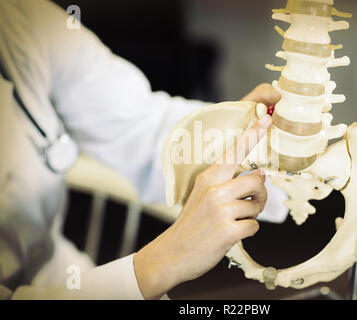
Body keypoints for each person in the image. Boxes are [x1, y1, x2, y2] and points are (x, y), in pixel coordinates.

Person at [0, 0, 286, 299]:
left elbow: (139, 124)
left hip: (57, 273)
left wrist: (233, 131)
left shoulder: (22, 19)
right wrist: (162, 261)